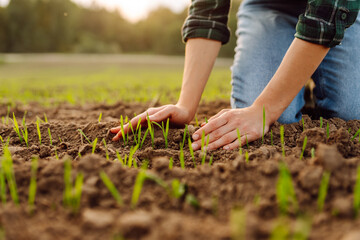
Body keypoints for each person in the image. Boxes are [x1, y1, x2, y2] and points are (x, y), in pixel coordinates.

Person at [111, 0, 360, 151]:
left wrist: (264, 109)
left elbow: (326, 15)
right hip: (270, 7)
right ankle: (293, 87)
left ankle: (296, 79)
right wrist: (186, 106)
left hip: (343, 11)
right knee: (277, 121)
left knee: (351, 114)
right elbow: (208, 12)